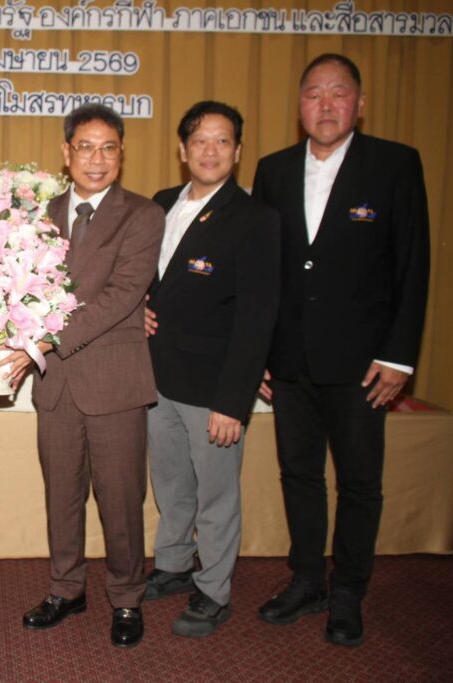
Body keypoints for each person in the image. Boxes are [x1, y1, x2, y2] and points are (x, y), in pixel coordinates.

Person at [252, 54, 430, 647]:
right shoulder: (273, 170)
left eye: (338, 93)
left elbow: (413, 264)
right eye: (313, 94)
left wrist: (399, 356)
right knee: (299, 474)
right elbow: (265, 271)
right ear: (299, 104)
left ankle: (349, 588)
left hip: (364, 364)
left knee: (359, 482)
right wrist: (259, 354)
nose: (325, 105)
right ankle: (307, 579)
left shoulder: (395, 164)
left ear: (360, 103)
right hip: (289, 361)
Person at [13, 104, 164, 648]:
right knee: (62, 495)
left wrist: (46, 339)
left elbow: (122, 296)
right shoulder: (37, 217)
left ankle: (126, 598)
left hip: (114, 382)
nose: (96, 159)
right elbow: (20, 288)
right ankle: (66, 589)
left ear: (121, 153)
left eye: (108, 148)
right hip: (55, 384)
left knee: (121, 499)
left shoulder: (143, 215)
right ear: (66, 152)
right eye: (85, 147)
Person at [143, 101, 280, 637]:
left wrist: (233, 401)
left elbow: (257, 318)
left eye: (222, 141)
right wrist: (138, 306)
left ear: (238, 151)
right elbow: (143, 278)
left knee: (216, 495)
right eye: (200, 140)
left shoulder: (255, 219)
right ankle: (174, 565)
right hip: (156, 378)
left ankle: (214, 591)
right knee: (171, 482)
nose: (210, 150)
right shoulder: (159, 204)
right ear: (182, 149)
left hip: (213, 388)